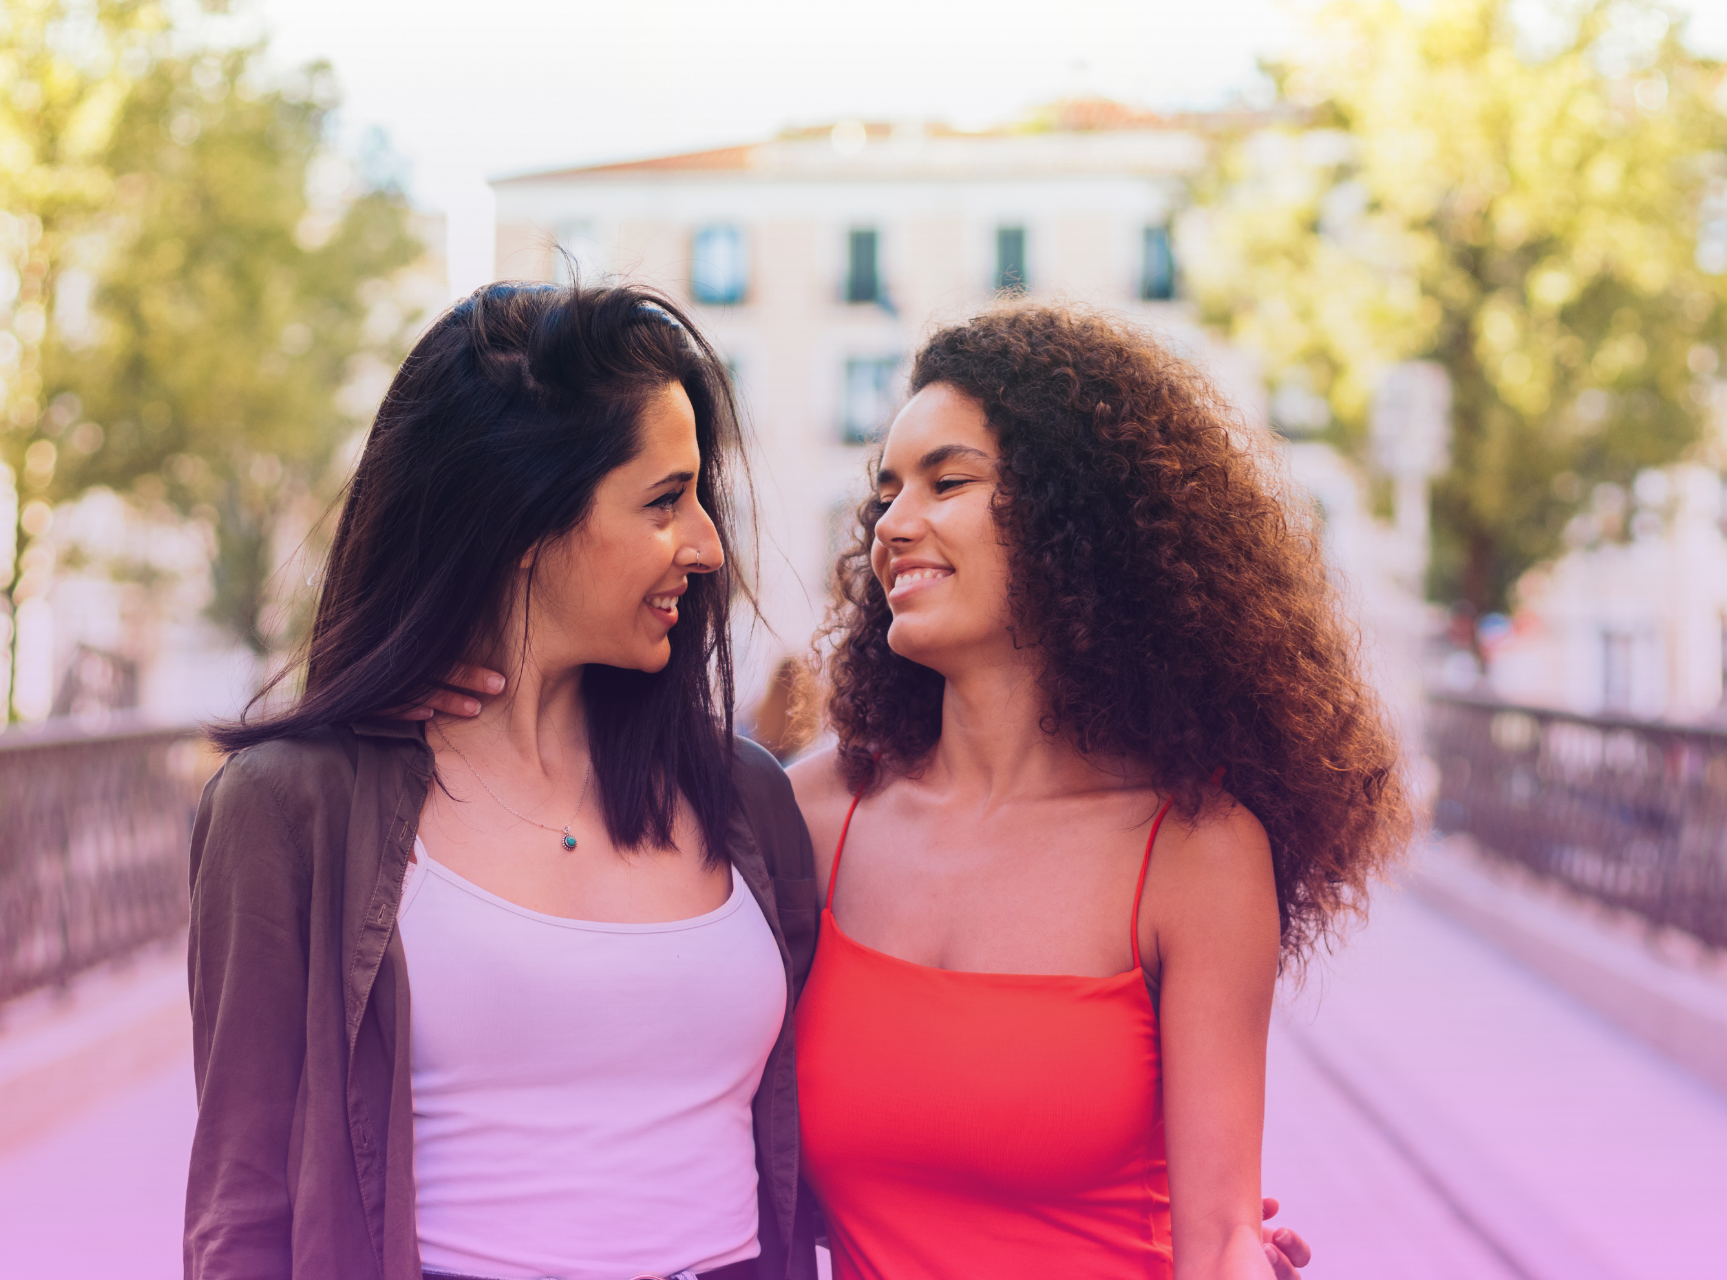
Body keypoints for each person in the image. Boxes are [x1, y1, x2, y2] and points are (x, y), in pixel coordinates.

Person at [186, 281, 821, 1280]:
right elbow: (243, 1208)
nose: (705, 546)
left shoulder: (748, 796)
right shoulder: (292, 807)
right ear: (523, 517)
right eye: (665, 500)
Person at [787, 304, 1409, 1279]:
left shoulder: (1193, 848)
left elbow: (1219, 1242)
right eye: (887, 493)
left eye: (947, 481)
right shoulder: (817, 817)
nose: (894, 525)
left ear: (1075, 516)